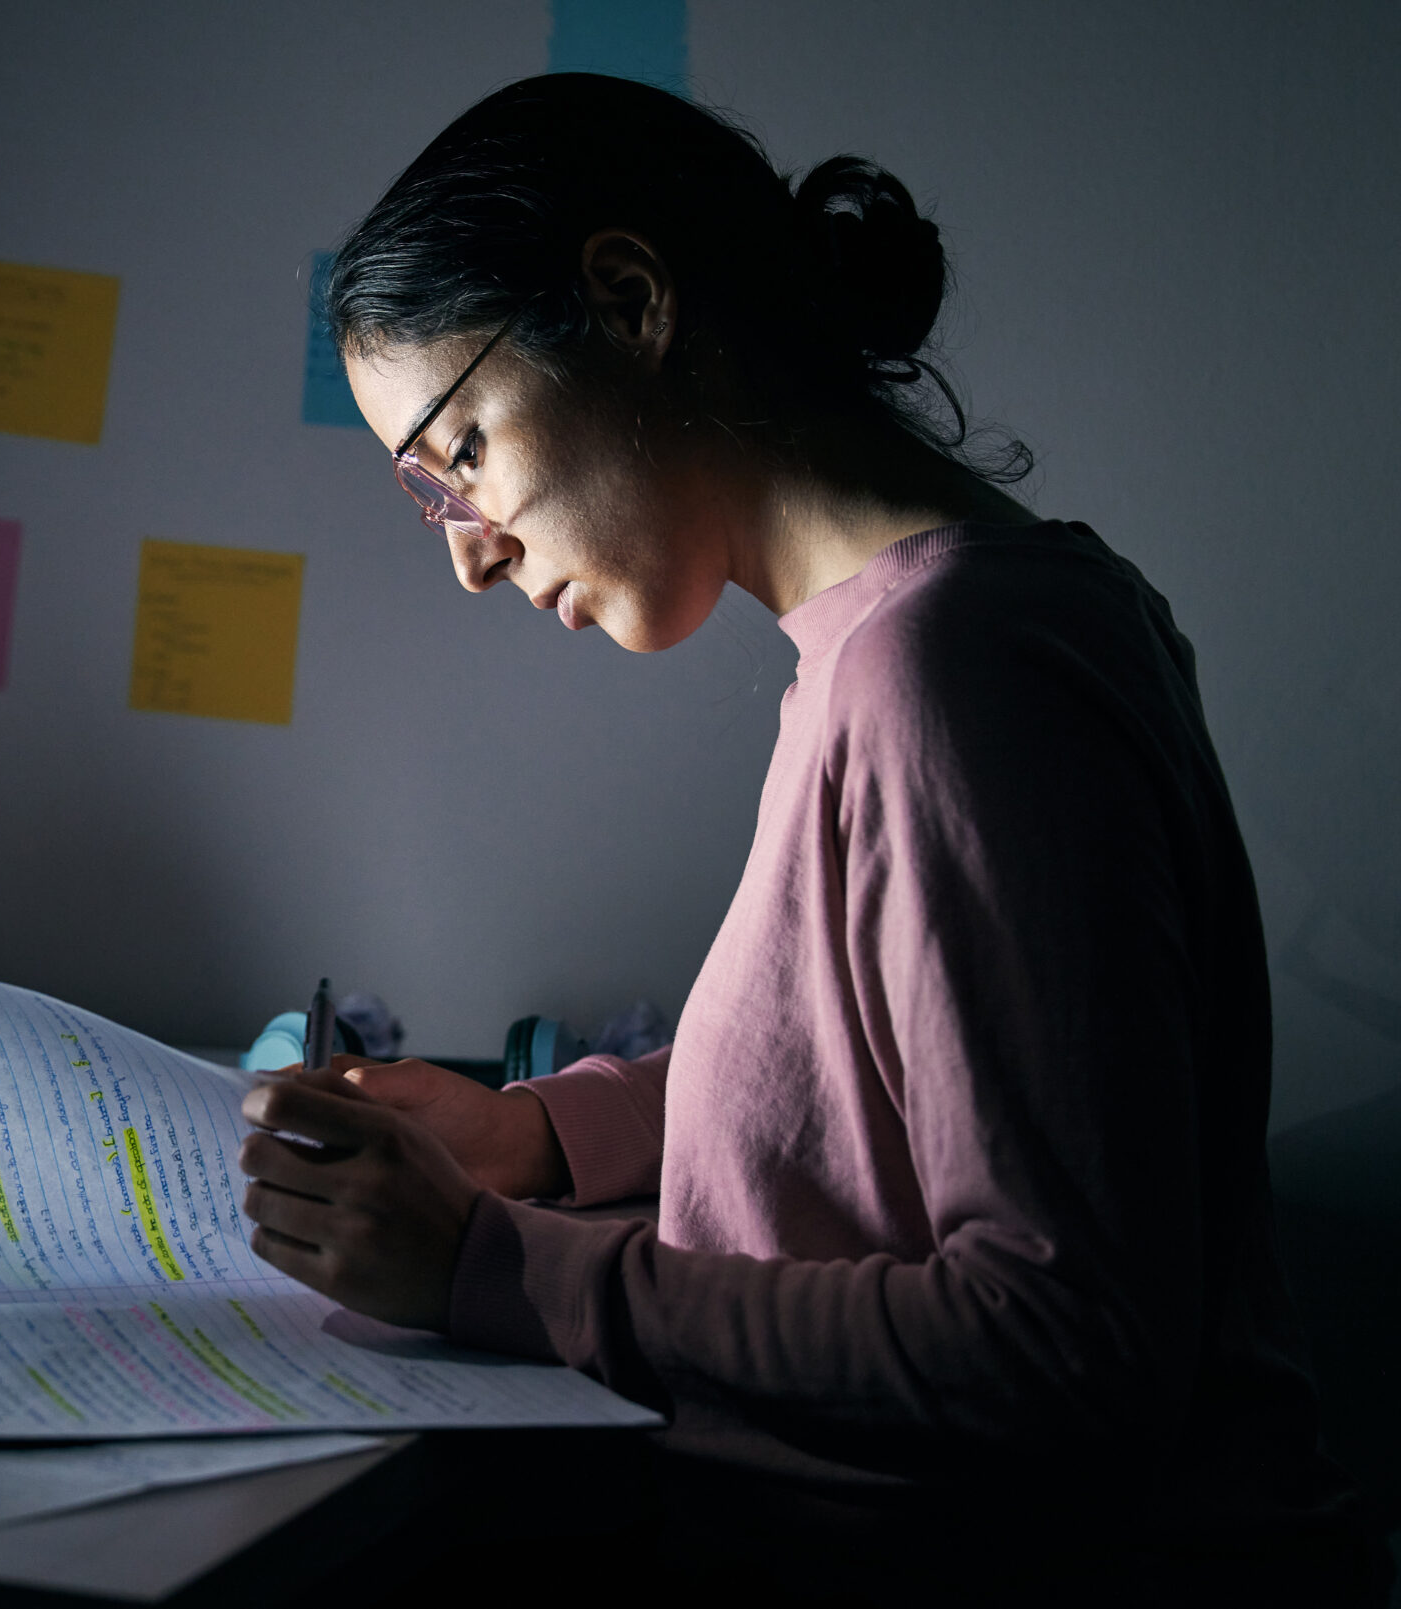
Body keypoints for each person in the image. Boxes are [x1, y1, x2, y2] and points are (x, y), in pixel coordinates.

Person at [233, 74, 1385, 1601]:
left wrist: (496, 1267)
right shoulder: (922, 639)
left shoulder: (957, 672)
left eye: (458, 457)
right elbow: (867, 1069)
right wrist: (538, 1134)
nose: (470, 554)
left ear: (629, 298)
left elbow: (1060, 1339)